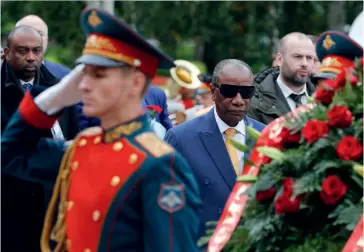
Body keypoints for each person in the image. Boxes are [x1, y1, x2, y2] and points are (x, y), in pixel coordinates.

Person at [2, 8, 201, 252]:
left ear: (136, 82)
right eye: (82, 75)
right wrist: (50, 100)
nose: (83, 85)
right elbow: (10, 154)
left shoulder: (160, 166)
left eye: (98, 75)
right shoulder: (83, 148)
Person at [164, 59, 265, 240]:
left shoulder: (266, 136)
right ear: (212, 92)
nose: (239, 101)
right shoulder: (181, 139)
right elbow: (169, 210)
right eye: (229, 92)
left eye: (246, 93)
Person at [1, 25, 80, 252]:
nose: (31, 58)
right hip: (11, 198)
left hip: (52, 196)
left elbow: (71, 134)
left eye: (36, 51)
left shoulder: (57, 88)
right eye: (22, 51)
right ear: (7, 53)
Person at [16, 14, 98, 130]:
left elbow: (82, 119)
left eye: (40, 34)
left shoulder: (67, 76)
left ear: (47, 40)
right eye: (27, 32)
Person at [248, 32, 316, 125]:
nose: (305, 63)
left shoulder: (324, 97)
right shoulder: (255, 102)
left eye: (309, 58)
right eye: (298, 57)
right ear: (279, 59)